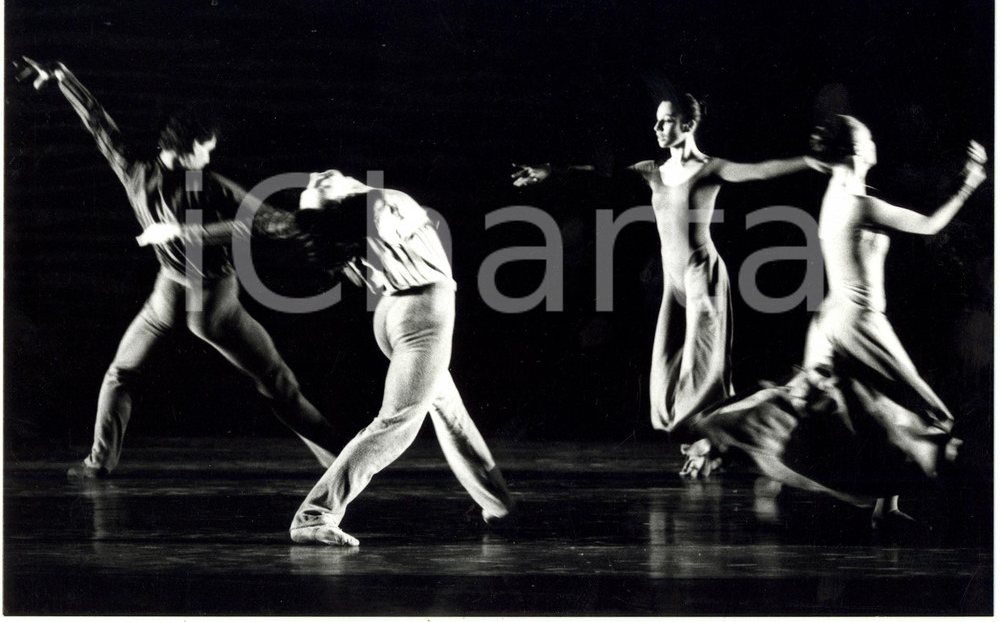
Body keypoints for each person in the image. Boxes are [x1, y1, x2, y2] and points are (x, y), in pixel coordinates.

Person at [16, 57, 341, 478]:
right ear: (187, 149)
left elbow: (99, 125)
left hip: (167, 293)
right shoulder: (207, 185)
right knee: (277, 383)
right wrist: (308, 214)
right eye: (205, 151)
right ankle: (341, 459)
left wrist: (63, 80)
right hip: (211, 303)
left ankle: (99, 462)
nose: (208, 159)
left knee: (121, 374)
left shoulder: (134, 171)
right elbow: (266, 222)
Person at [685, 116, 986, 529]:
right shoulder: (860, 203)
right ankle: (732, 440)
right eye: (869, 137)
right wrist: (969, 182)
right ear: (858, 151)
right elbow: (930, 225)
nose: (875, 141)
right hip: (857, 323)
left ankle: (883, 506)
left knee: (870, 411)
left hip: (832, 320)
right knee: (925, 413)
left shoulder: (840, 193)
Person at [514, 93, 825, 444]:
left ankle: (716, 436)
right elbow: (601, 178)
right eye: (657, 121)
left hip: (702, 275)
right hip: (673, 281)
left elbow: (762, 171)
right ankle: (704, 431)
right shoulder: (652, 171)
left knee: (706, 371)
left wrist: (810, 161)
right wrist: (551, 172)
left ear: (688, 125)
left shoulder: (710, 169)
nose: (657, 128)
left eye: (666, 121)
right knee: (664, 371)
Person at [246, 170, 515, 546]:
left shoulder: (352, 218)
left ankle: (499, 505)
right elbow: (377, 217)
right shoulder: (378, 206)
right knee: (397, 423)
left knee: (449, 413)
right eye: (323, 185)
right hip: (424, 316)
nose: (322, 175)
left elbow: (289, 225)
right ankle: (314, 515)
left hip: (394, 313)